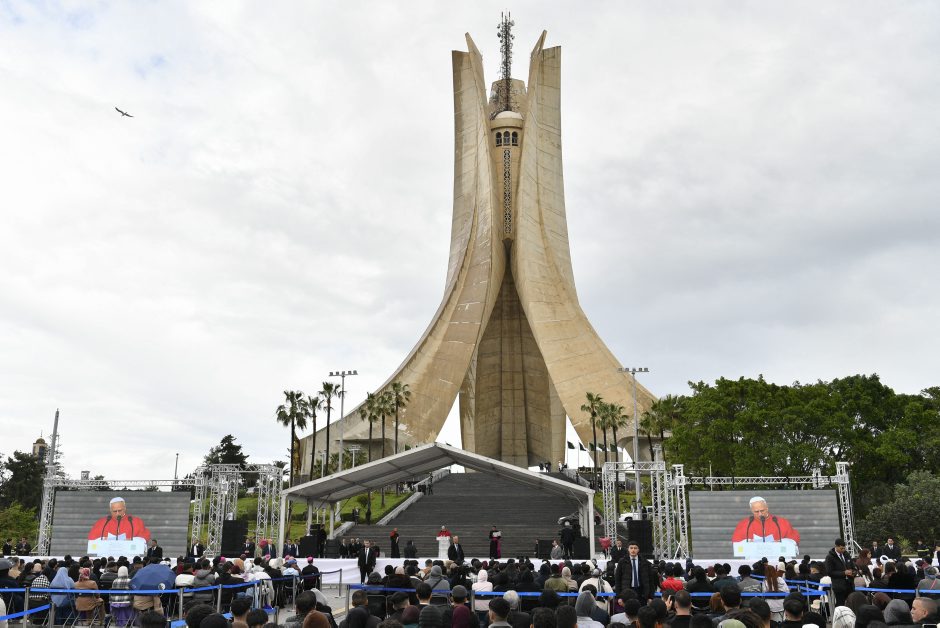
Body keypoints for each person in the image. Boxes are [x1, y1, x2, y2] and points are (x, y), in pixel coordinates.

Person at [731, 497, 799, 546]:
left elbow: (794, 540)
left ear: (767, 508)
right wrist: (749, 542)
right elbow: (736, 543)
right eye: (756, 511)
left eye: (762, 510)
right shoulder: (744, 524)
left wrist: (779, 542)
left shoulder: (781, 522)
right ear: (752, 511)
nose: (760, 514)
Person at [87, 497, 152, 547]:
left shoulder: (136, 521)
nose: (117, 513)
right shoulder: (102, 522)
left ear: (125, 508)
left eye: (120, 510)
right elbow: (92, 540)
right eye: (115, 511)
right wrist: (106, 539)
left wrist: (128, 540)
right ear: (110, 510)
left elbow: (144, 538)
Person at [825, 539, 856, 607]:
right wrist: (843, 573)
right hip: (839, 586)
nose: (843, 550)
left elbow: (853, 567)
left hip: (850, 584)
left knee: (852, 604)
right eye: (841, 548)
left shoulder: (846, 555)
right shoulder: (830, 557)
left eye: (844, 548)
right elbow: (829, 572)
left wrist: (853, 572)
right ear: (836, 546)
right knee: (840, 605)